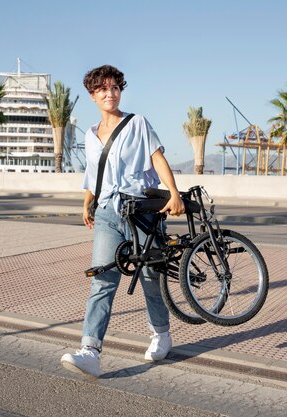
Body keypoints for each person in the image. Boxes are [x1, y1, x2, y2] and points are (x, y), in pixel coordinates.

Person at [61, 65, 185, 378]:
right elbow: (93, 174)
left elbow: (157, 157)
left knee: (149, 278)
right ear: (92, 95)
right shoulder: (90, 135)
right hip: (107, 213)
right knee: (102, 280)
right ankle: (90, 351)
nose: (110, 93)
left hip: (142, 212)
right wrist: (87, 202)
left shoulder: (137, 123)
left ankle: (161, 334)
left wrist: (174, 194)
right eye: (102, 89)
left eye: (115, 87)